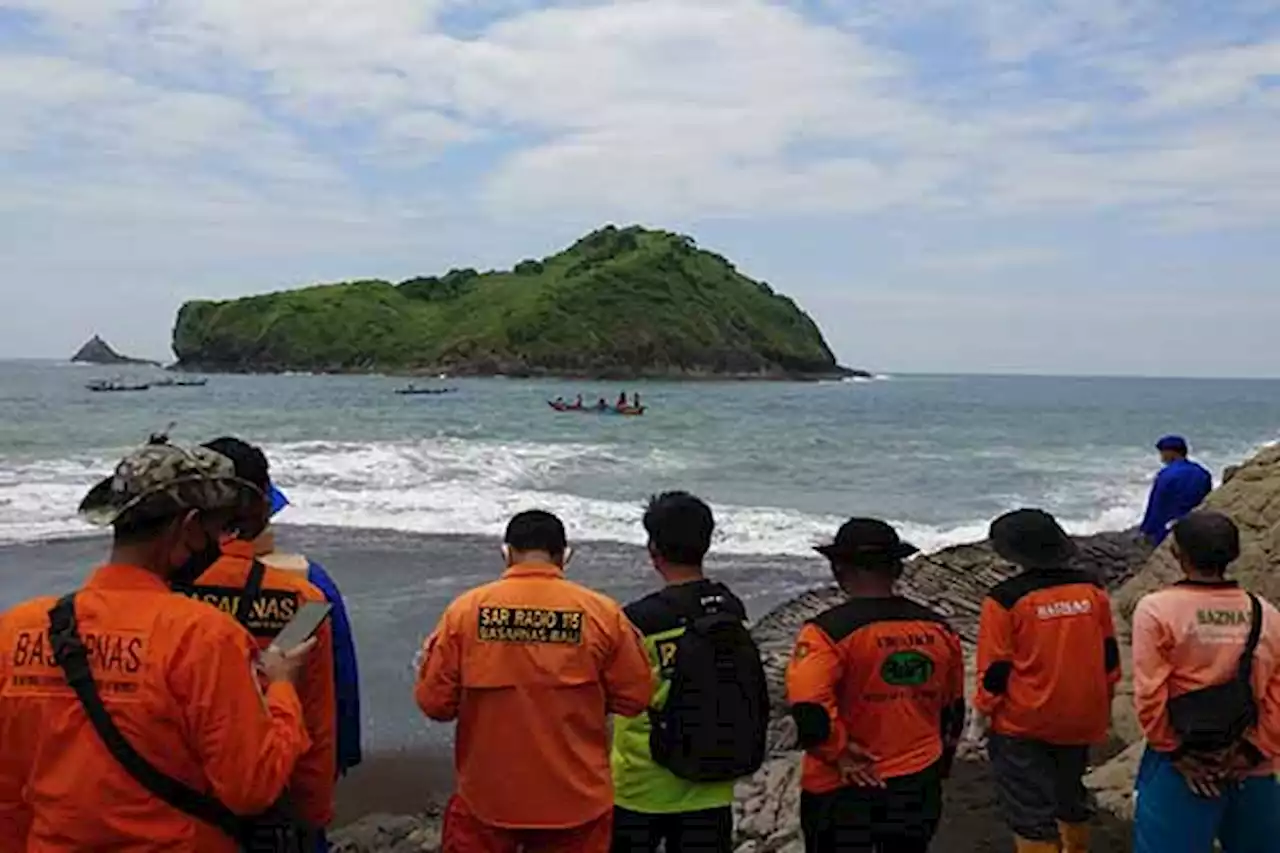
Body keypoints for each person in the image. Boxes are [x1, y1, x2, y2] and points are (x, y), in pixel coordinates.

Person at [0, 442, 314, 852]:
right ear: (186, 528)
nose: (222, 544)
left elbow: (8, 793)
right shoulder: (205, 637)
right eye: (219, 530)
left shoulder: (19, 629)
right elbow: (251, 787)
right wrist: (283, 689)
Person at [416, 510, 653, 852]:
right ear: (564, 556)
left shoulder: (466, 613)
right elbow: (636, 698)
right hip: (577, 801)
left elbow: (435, 704)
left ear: (506, 553)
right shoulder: (602, 614)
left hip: (488, 800)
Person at [177, 437, 350, 848]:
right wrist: (314, 811)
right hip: (274, 799)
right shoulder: (307, 594)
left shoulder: (161, 590)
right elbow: (323, 714)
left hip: (174, 804)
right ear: (260, 508)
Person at [786, 518, 965, 852]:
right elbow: (953, 709)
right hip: (917, 780)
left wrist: (838, 754)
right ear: (897, 569)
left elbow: (809, 710)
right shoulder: (940, 630)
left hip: (844, 785)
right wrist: (941, 765)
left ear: (838, 569)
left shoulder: (827, 633)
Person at [611, 492, 768, 853]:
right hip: (711, 780)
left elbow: (615, 694)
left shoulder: (637, 621)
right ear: (707, 543)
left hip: (642, 783)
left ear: (654, 550)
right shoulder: (731, 609)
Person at [970, 509, 1122, 853]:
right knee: (1070, 794)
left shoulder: (1005, 599)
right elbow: (1109, 655)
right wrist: (1103, 700)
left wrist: (981, 714)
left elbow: (995, 670)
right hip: (1082, 715)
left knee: (1029, 810)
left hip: (1024, 721)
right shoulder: (1091, 589)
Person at [1131, 511, 1280, 853]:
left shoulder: (1156, 610)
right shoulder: (1266, 613)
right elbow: (1276, 692)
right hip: (1251, 763)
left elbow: (1150, 693)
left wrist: (1178, 753)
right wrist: (1252, 751)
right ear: (1234, 554)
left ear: (1177, 554)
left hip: (1183, 760)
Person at [1141, 436, 1213, 545]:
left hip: (1168, 529)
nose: (1161, 457)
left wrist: (1146, 530)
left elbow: (1156, 504)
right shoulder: (1202, 473)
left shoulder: (1166, 475)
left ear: (1172, 453)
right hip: (1195, 527)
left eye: (1162, 452)